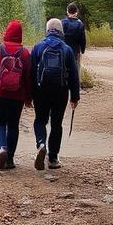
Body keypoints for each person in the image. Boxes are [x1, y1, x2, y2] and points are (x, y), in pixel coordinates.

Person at [0, 19, 32, 171]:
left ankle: (1, 148)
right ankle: (9, 159)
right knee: (13, 125)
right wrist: (28, 98)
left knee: (0, 123)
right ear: (20, 35)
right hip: (18, 96)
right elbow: (28, 78)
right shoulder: (25, 53)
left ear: (6, 33)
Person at [30, 18, 80, 170]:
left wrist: (30, 94)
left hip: (41, 90)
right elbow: (73, 75)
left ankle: (41, 144)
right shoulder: (67, 50)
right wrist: (75, 96)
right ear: (61, 32)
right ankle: (52, 158)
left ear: (47, 31)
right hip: (61, 91)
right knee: (56, 124)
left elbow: (31, 73)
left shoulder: (38, 47)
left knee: (40, 120)